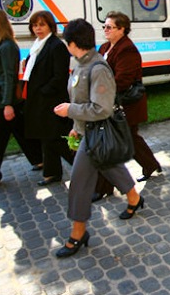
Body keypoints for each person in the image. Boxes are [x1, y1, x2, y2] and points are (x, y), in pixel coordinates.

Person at [53, 19, 144, 258]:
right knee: (110, 165)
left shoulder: (97, 68)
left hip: (98, 131)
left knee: (79, 183)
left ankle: (77, 234)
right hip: (89, 131)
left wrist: (70, 111)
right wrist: (76, 126)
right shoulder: (81, 64)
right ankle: (134, 198)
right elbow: (82, 100)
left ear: (72, 43)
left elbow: (101, 109)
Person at [94, 11, 161, 202]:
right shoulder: (105, 46)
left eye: (109, 27)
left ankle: (104, 186)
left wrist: (100, 89)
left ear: (122, 29)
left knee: (113, 144)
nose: (105, 30)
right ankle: (150, 164)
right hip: (111, 103)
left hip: (126, 106)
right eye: (104, 26)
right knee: (129, 140)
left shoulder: (127, 50)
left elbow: (122, 80)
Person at [0, 8, 42, 192]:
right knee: (19, 129)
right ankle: (39, 158)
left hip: (4, 99)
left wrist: (7, 105)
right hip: (1, 97)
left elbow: (10, 78)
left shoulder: (8, 46)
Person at [22, 11, 72, 186]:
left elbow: (60, 76)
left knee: (55, 138)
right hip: (38, 100)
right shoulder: (37, 45)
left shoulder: (56, 46)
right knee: (46, 137)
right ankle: (52, 173)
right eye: (35, 25)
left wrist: (43, 91)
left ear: (51, 26)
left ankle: (84, 167)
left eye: (42, 25)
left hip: (51, 100)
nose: (38, 28)